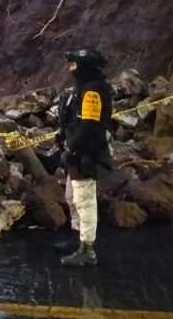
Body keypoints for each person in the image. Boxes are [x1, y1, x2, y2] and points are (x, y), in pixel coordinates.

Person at [56, 47, 113, 267]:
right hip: (77, 154)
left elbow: (89, 126)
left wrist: (71, 146)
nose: (70, 70)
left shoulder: (93, 91)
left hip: (86, 154)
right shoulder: (83, 89)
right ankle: (77, 237)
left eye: (73, 65)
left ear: (85, 66)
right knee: (72, 197)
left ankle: (87, 249)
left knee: (84, 201)